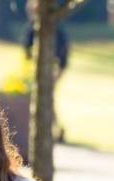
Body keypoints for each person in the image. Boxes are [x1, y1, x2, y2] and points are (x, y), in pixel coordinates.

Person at [22, 0, 69, 142]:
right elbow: (26, 51)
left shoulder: (56, 29)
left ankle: (56, 128)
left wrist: (58, 71)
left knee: (48, 100)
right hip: (33, 71)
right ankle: (53, 128)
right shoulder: (31, 29)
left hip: (52, 70)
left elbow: (63, 54)